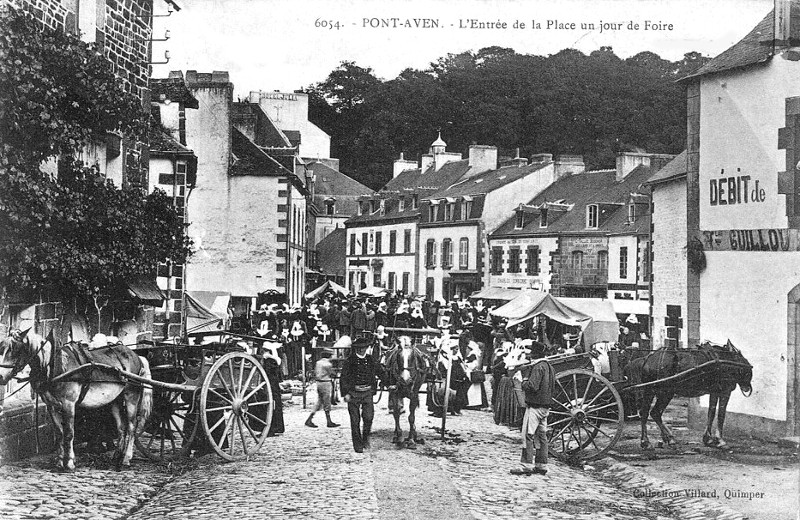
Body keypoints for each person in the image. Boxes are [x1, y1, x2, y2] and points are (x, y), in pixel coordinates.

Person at [511, 340, 555, 476]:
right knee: (542, 436)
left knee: (528, 435)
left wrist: (521, 381)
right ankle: (542, 465)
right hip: (545, 407)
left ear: (535, 354)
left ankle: (526, 465)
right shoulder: (550, 367)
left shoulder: (538, 367)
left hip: (535, 406)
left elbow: (532, 386)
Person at [339, 336, 379, 453]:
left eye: (364, 348)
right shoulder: (349, 361)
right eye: (359, 348)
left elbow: (380, 372)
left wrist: (390, 383)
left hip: (367, 392)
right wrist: (345, 393)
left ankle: (366, 438)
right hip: (353, 393)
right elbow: (344, 378)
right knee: (355, 420)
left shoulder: (371, 360)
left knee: (368, 417)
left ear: (367, 348)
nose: (361, 350)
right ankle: (358, 445)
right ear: (356, 349)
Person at [305, 349, 340, 428]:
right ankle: (329, 421)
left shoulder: (318, 363)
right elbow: (332, 373)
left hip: (319, 382)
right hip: (325, 382)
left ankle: (309, 419)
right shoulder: (328, 364)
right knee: (327, 402)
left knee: (319, 402)